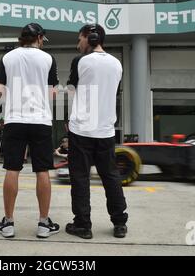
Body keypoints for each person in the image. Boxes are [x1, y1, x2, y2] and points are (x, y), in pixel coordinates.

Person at [0, 23, 60, 239]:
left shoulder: (8, 58)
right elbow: (53, 94)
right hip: (40, 120)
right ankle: (43, 223)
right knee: (42, 170)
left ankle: (9, 222)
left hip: (15, 120)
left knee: (12, 169)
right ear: (39, 38)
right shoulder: (48, 59)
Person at [65, 24, 128, 239]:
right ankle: (119, 223)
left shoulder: (80, 61)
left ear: (89, 38)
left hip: (81, 130)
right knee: (111, 177)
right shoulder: (117, 64)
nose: (78, 44)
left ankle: (83, 225)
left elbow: (71, 91)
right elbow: (113, 93)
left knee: (80, 178)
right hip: (105, 131)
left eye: (79, 39)